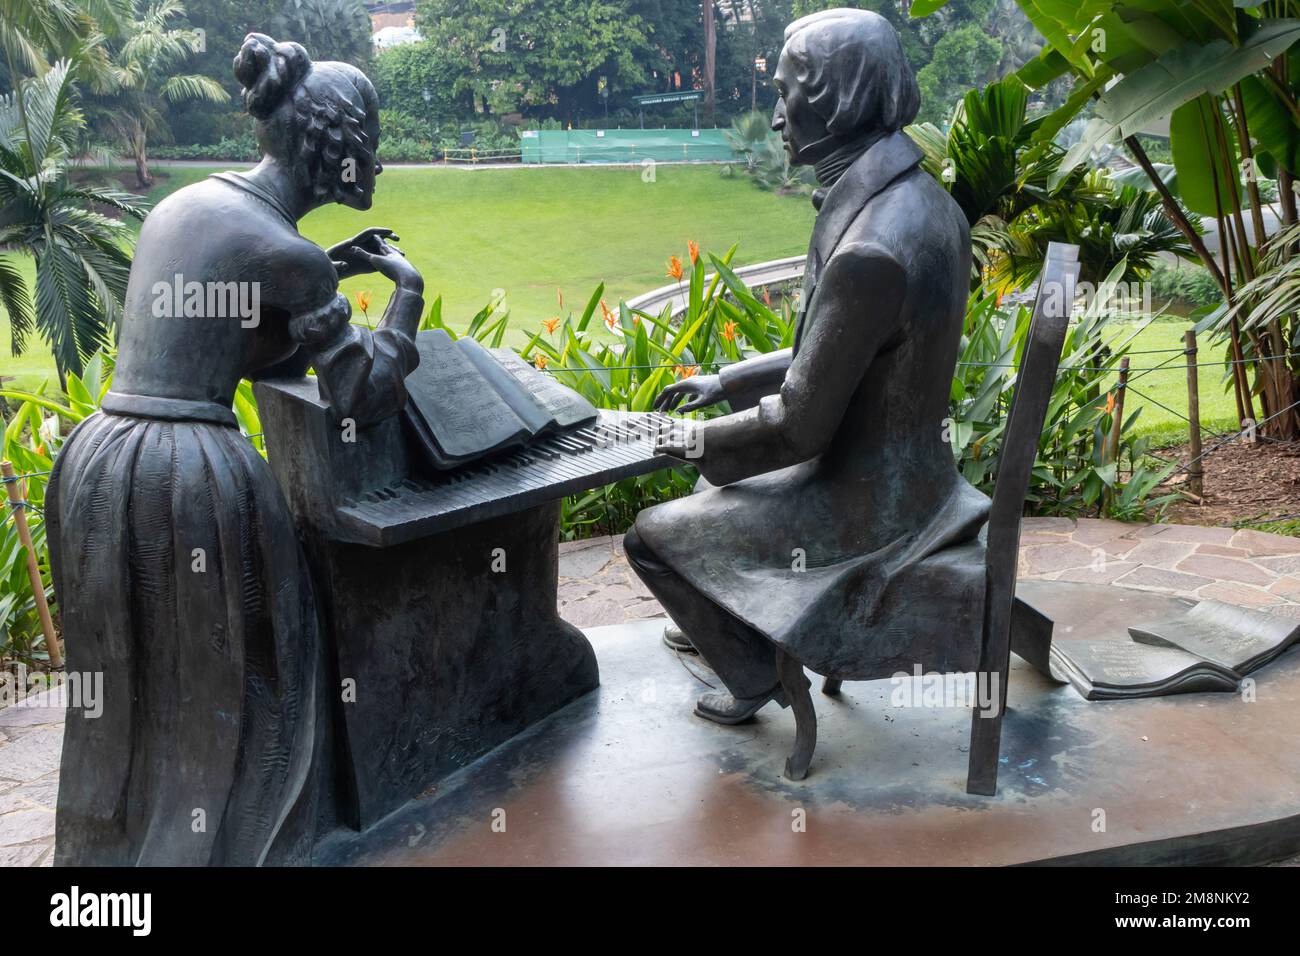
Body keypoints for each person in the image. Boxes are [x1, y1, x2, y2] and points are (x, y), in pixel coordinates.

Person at [46, 34, 423, 865]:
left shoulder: (188, 204)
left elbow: (222, 321)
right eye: (373, 145)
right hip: (190, 479)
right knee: (256, 676)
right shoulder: (289, 257)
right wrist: (407, 294)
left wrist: (323, 276)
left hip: (102, 461)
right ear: (338, 153)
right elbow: (360, 394)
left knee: (125, 687)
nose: (379, 163)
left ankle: (104, 867)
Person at [625, 8, 990, 724]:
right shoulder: (928, 204)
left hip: (870, 508)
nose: (776, 112)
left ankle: (751, 668)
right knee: (718, 481)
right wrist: (726, 384)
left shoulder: (870, 250)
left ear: (838, 102)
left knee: (651, 539)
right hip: (916, 473)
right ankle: (728, 616)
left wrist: (683, 440)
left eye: (787, 91)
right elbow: (836, 352)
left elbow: (798, 429)